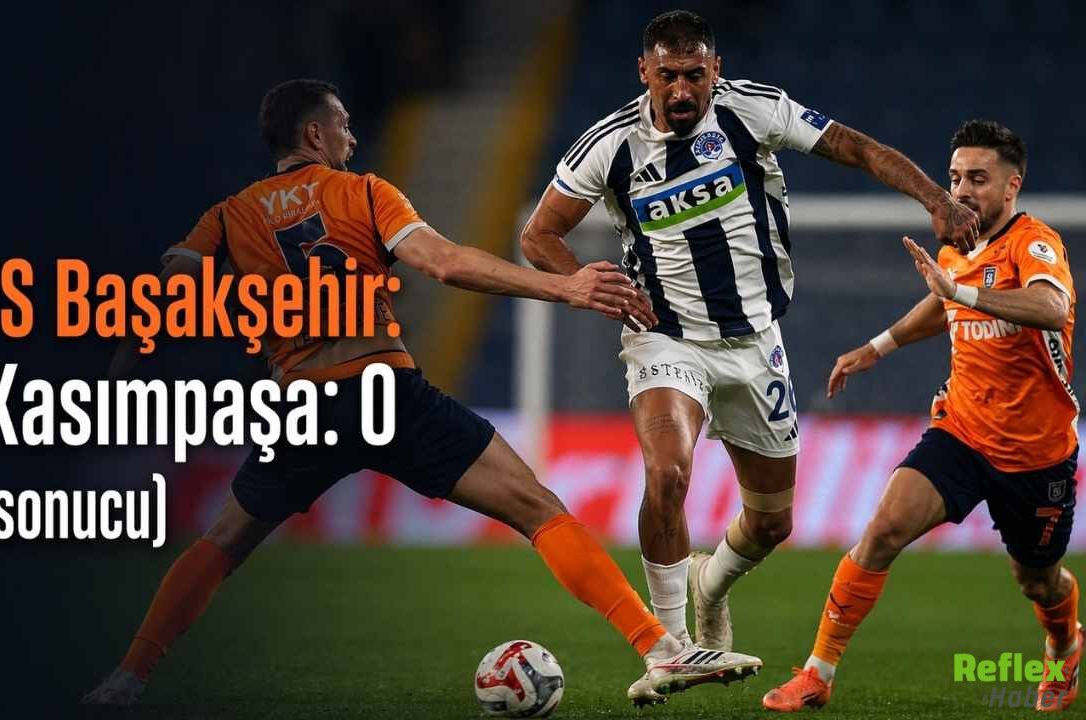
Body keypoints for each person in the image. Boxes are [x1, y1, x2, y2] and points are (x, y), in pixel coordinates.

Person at [83, 78, 762, 708]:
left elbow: (167, 292)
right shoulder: (363, 192)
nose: (352, 136)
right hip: (383, 393)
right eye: (342, 125)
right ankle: (660, 649)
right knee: (536, 508)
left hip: (300, 406)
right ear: (315, 134)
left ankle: (126, 678)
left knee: (224, 541)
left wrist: (122, 373)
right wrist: (565, 286)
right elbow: (445, 263)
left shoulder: (227, 217)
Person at [520, 9, 982, 662]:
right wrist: (580, 282)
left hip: (755, 340)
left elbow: (855, 146)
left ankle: (710, 585)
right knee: (668, 471)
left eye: (695, 75)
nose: (682, 90)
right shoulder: (611, 144)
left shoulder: (752, 110)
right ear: (644, 72)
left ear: (717, 70)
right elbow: (538, 234)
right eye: (668, 76)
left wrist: (935, 198)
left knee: (770, 523)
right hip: (665, 337)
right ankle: (670, 646)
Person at [762, 119, 1079, 712]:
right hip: (961, 432)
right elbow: (943, 300)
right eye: (955, 177)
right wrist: (877, 347)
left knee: (1038, 581)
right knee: (883, 530)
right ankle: (817, 673)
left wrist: (963, 294)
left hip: (1036, 454)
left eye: (978, 179)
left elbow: (1049, 305)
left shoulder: (1034, 244)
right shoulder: (957, 245)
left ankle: (1064, 644)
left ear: (1012, 186)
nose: (961, 190)